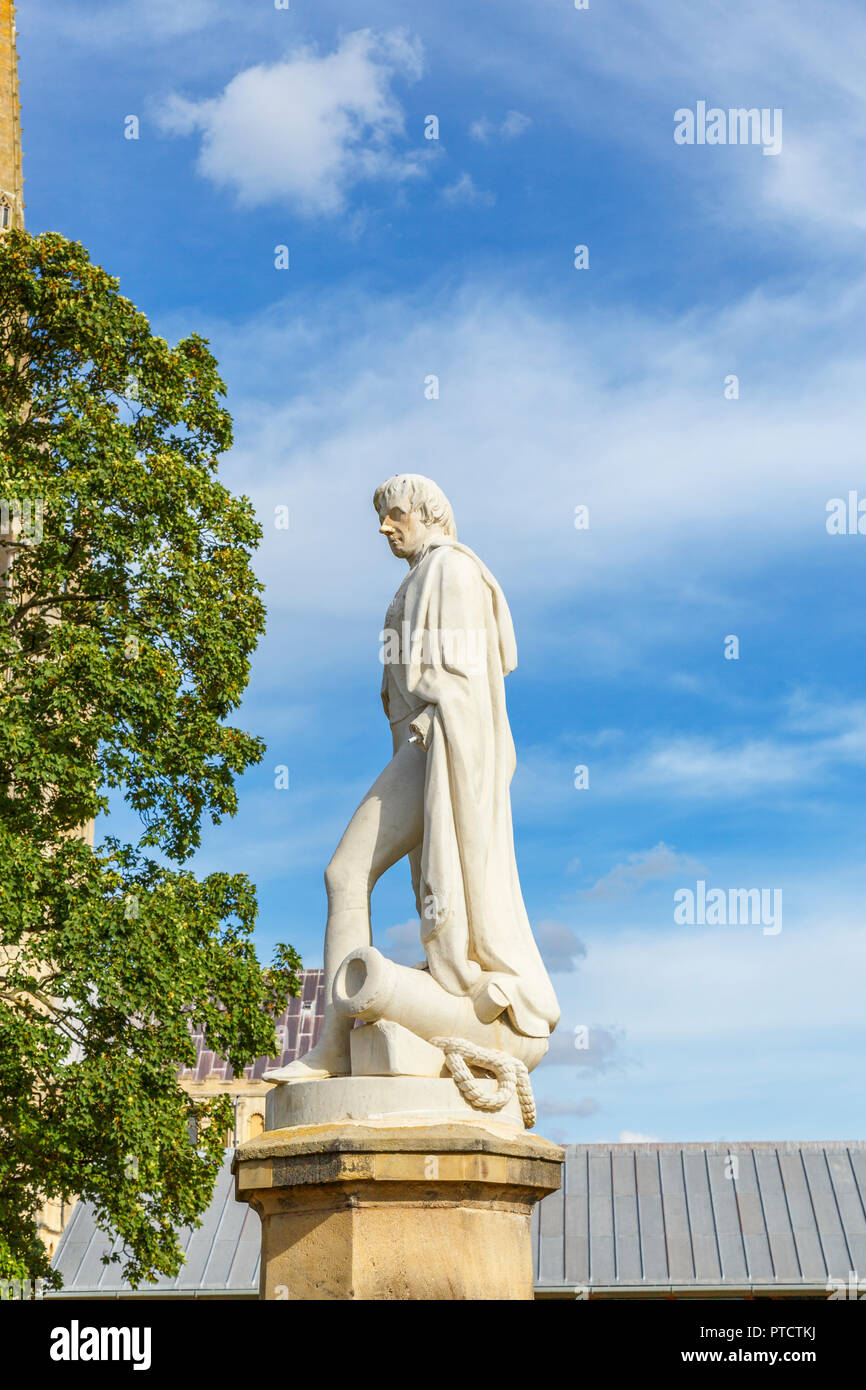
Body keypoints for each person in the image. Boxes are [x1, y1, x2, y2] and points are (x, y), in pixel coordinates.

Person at [267, 475, 558, 1080]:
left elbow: (460, 688)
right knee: (357, 877)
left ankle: (334, 1048)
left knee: (345, 872)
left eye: (395, 514)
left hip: (437, 746)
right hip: (425, 746)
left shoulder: (450, 569)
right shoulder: (424, 575)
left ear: (430, 514)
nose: (384, 527)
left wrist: (447, 757)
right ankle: (341, 1046)